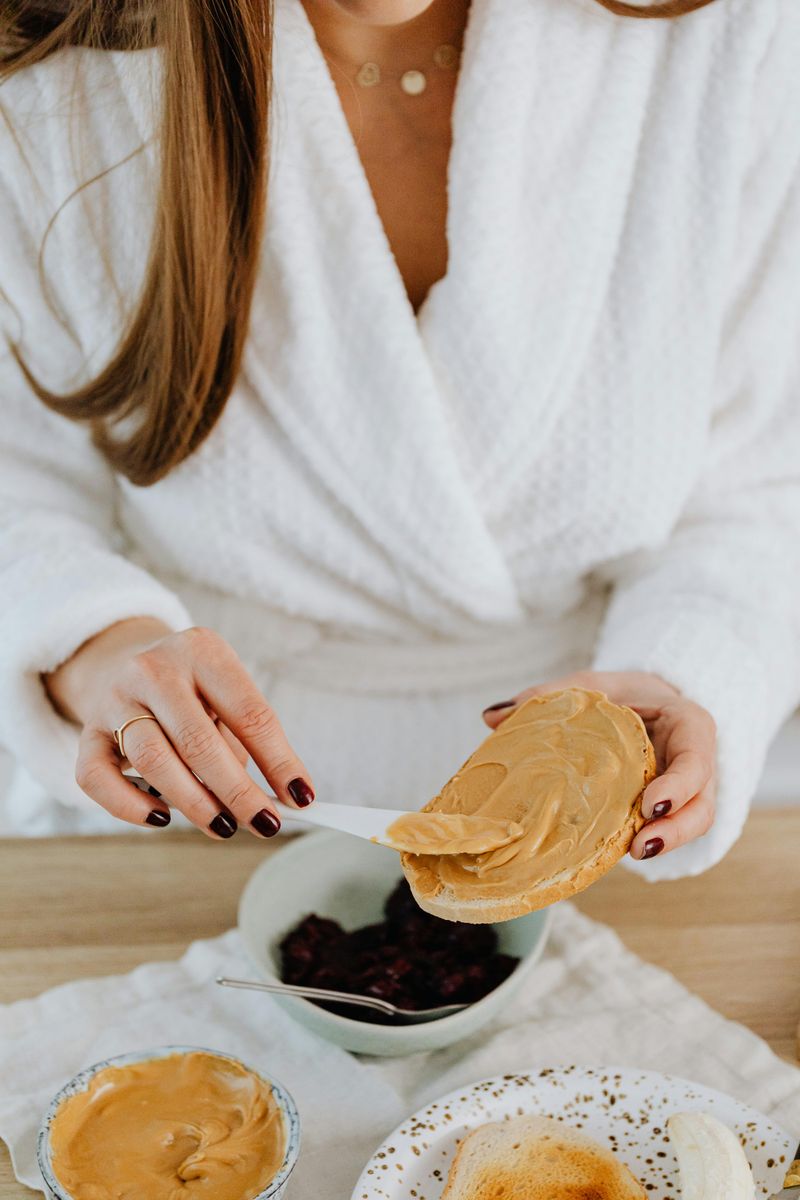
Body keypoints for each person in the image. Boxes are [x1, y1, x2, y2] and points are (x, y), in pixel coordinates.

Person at [0, 0, 798, 879]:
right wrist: (100, 652)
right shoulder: (47, 84)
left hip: (598, 819)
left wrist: (679, 685)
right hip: (196, 811)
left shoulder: (737, 36)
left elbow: (764, 493)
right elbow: (17, 492)